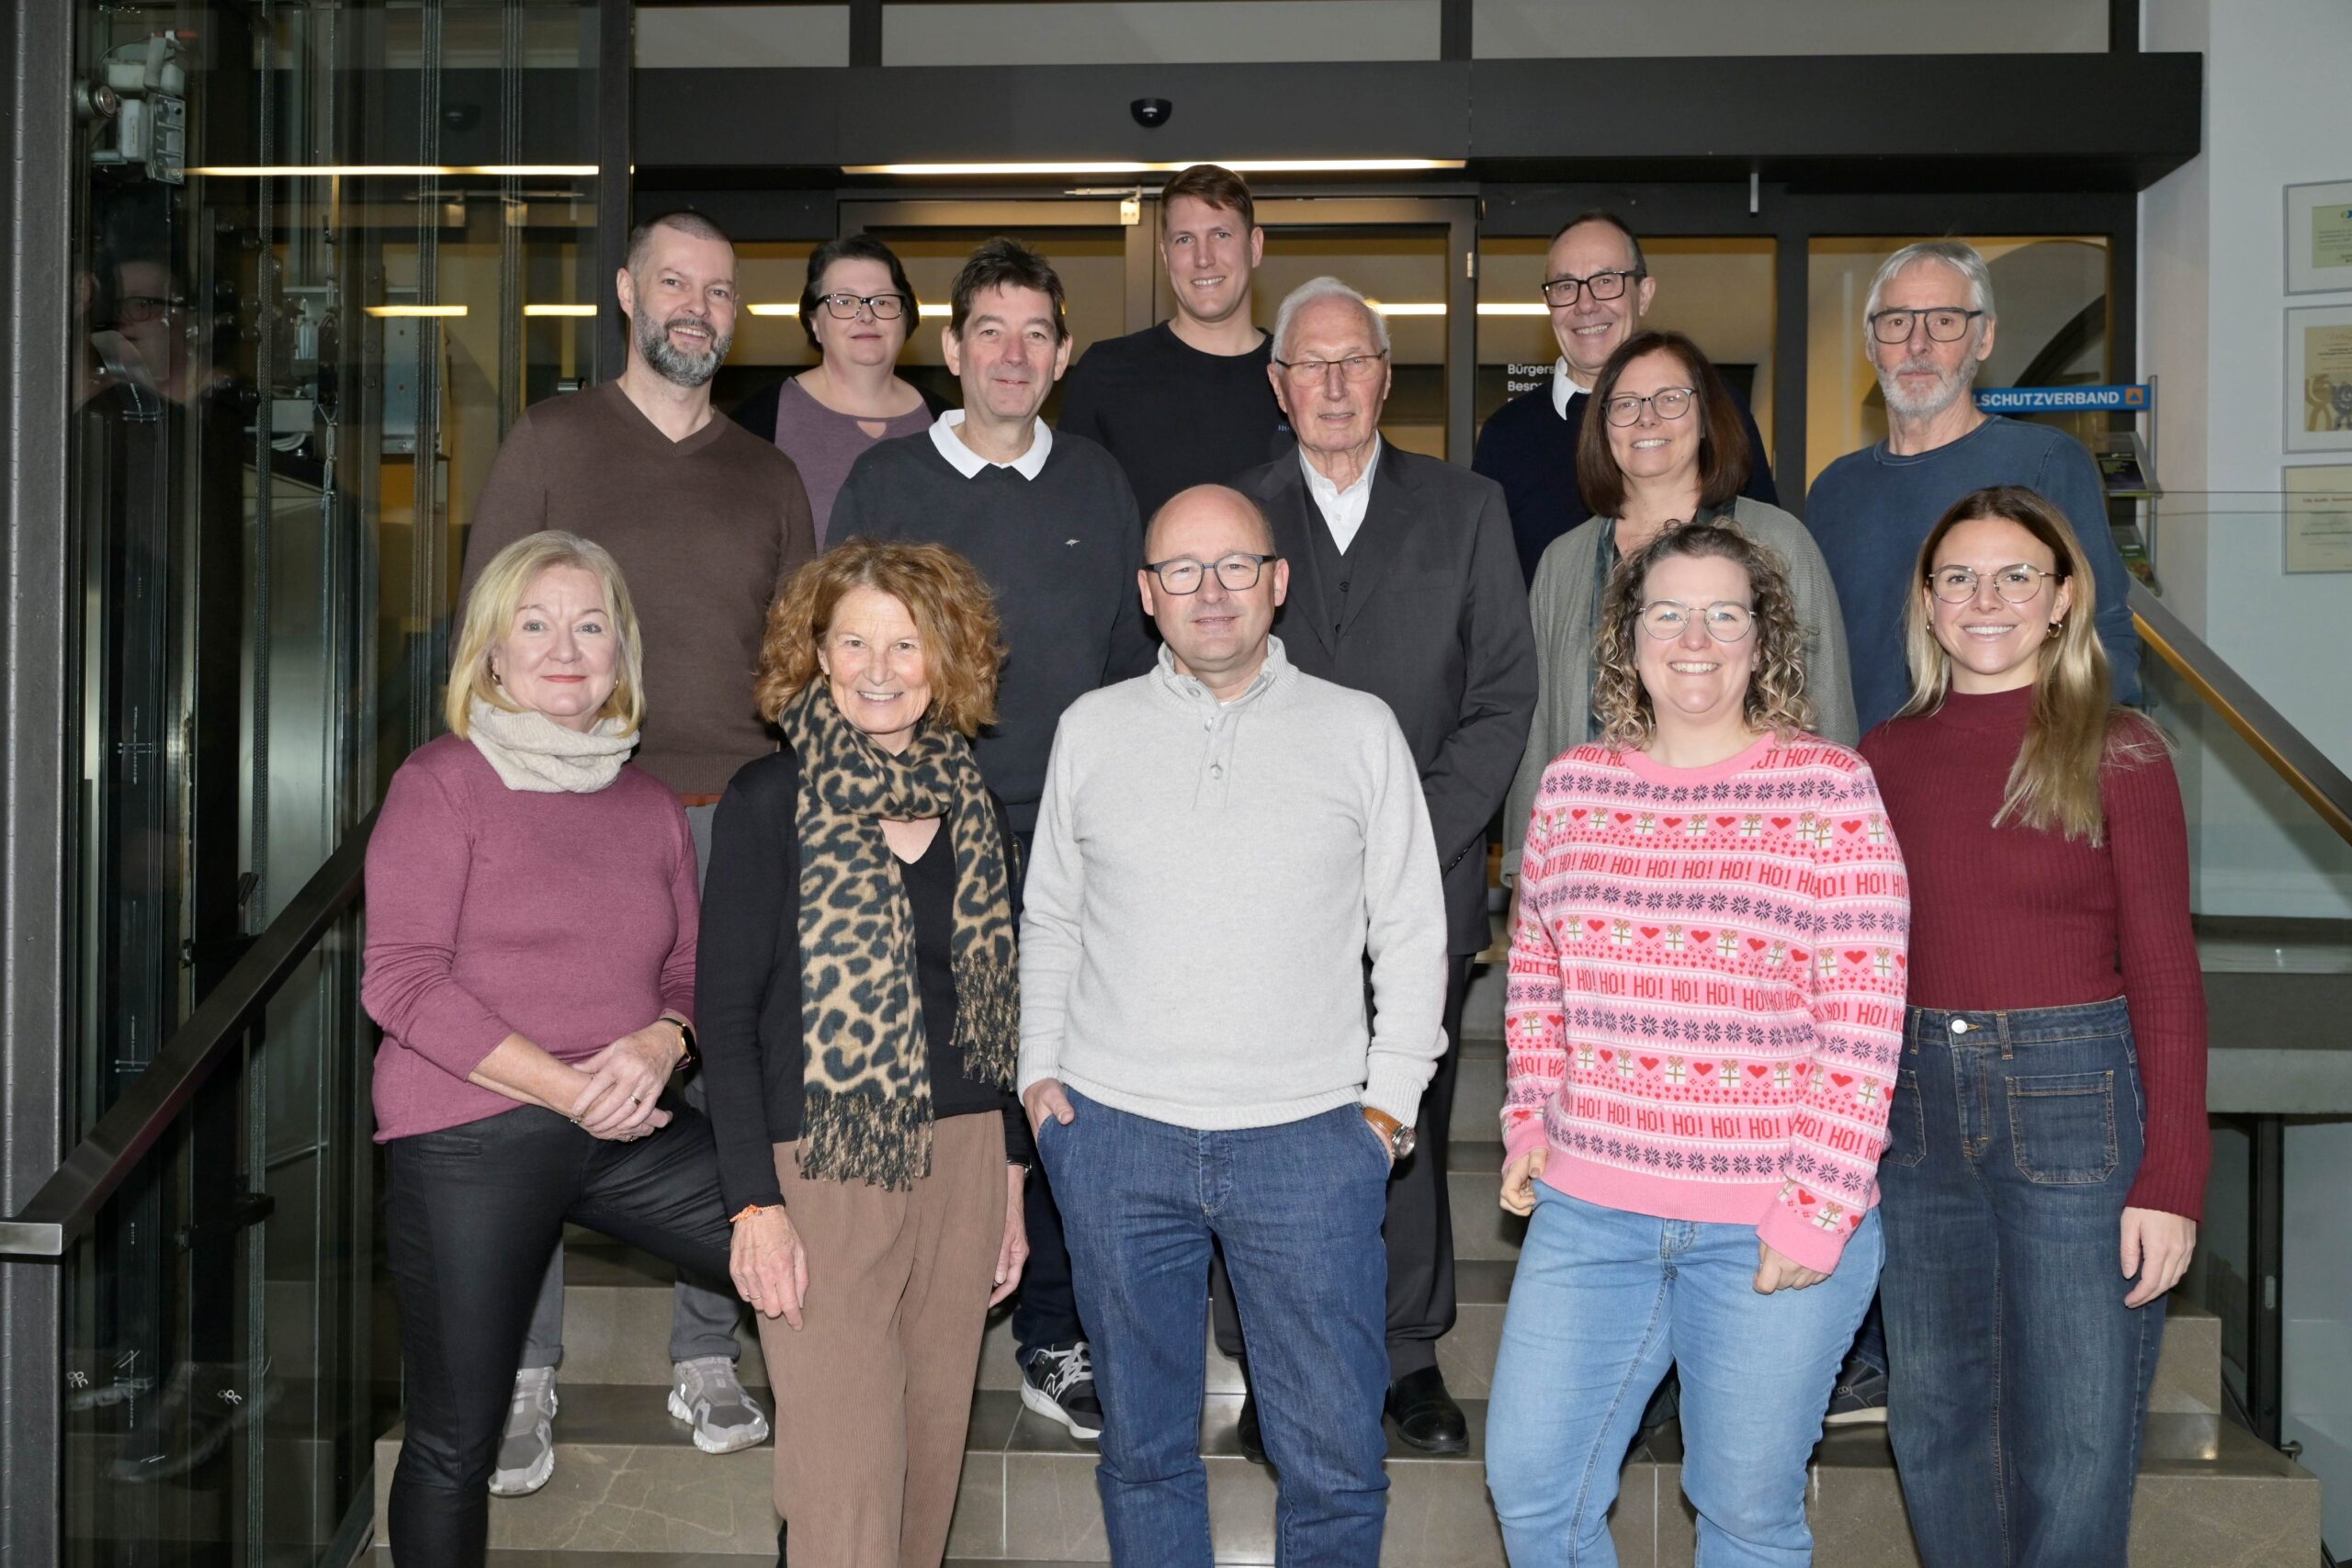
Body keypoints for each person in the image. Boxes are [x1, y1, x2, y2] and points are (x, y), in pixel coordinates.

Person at [1019, 483, 1449, 1566]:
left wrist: (1388, 1102)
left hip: (1309, 1141)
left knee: (1335, 1461)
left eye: (1234, 567)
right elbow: (1052, 917)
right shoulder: (1091, 729)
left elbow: (1409, 925)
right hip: (1117, 1137)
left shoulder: (1358, 730)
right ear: (1147, 596)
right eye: (1181, 571)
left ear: (1278, 582)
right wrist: (1040, 1079)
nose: (1209, 592)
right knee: (1144, 1453)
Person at [463, 209, 815, 1490]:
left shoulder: (768, 475)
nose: (697, 306)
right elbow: (484, 623)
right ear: (627, 291)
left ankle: (709, 1346)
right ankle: (523, 1363)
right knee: (546, 1082)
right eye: (675, 281)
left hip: (731, 816)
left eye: (721, 290)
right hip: (572, 806)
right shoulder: (554, 439)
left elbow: (800, 663)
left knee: (727, 1085)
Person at [1486, 521, 1909, 1566]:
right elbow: (1536, 973)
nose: (1696, 639)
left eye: (1726, 614)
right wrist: (1527, 1116)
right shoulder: (1575, 789)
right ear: (1626, 640)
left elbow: (1864, 1021)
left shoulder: (1828, 791)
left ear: (1763, 640)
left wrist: (1816, 1209)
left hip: (1767, 1224)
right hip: (1590, 1216)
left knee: (1743, 1513)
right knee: (1535, 1491)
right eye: (1667, 613)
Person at [831, 235, 1154, 1441]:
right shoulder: (886, 486)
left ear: (1061, 356)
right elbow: (841, 648)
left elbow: (1134, 671)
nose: (1012, 354)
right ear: (953, 348)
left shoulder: (1099, 485)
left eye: (1036, 334)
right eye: (990, 332)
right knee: (918, 1089)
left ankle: (1053, 1333)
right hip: (915, 833)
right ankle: (894, 1323)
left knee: (1055, 1093)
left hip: (1071, 842)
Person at [364, 531, 734, 1567]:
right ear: (490, 652)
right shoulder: (440, 784)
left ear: (621, 654)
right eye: (535, 624)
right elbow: (399, 983)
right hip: (470, 1133)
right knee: (454, 1434)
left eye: (589, 625)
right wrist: (570, 1088)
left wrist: (664, 1045)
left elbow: (690, 976)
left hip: (626, 1126)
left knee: (804, 1254)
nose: (564, 648)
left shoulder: (651, 804)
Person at [1864, 486, 2206, 1568]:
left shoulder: (2122, 750)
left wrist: (2173, 1179)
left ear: (2063, 599)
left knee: (2074, 1434)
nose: (1986, 599)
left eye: (2016, 575)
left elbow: (2164, 973)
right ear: (1925, 601)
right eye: (1958, 576)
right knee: (1934, 1421)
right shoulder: (1882, 756)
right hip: (1914, 1109)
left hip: (2075, 1099)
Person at [1233, 276, 1536, 1458]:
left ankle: (1407, 1352)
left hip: (1430, 870)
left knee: (1403, 1103)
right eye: (1308, 365)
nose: (1331, 384)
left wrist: (1416, 841)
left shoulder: (1466, 509)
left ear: (1384, 375)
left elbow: (1502, 690)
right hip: (1266, 882)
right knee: (1274, 1121)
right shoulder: (1236, 513)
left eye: (1351, 360)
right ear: (1279, 385)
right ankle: (1275, 1360)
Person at [700, 538, 1032, 1568]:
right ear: (817, 656)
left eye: (905, 643)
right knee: (845, 1471)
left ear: (947, 661)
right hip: (826, 1162)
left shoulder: (975, 801)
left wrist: (1012, 1184)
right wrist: (753, 1205)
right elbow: (725, 1013)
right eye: (854, 642)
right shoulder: (768, 799)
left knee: (930, 1457)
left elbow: (1000, 1012)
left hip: (969, 1156)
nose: (879, 668)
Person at [1503, 329, 1857, 893]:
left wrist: (1838, 849)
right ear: (1602, 428)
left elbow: (1827, 709)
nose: (1647, 419)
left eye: (1670, 399)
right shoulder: (1563, 561)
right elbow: (1539, 724)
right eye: (1624, 405)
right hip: (1594, 863)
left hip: (1752, 864)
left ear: (1707, 415)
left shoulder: (1779, 541)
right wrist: (1527, 867)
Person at [1804, 240, 2141, 737]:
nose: (1917, 344)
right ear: (1872, 344)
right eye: (1896, 322)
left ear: (1983, 339)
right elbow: (1810, 655)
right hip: (1859, 788)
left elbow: (2103, 634)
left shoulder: (2045, 464)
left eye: (1944, 321)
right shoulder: (1834, 489)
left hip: (2009, 779)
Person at [1474, 211, 1780, 583]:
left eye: (1606, 281)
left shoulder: (1708, 407)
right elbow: (1485, 589)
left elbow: (1768, 563)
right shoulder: (1507, 436)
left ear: (1645, 294)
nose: (1585, 304)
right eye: (1566, 286)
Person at [1057, 164, 1292, 518]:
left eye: (1221, 235)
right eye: (1185, 239)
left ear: (1255, 246)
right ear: (1166, 257)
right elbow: (1074, 524)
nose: (1203, 258)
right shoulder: (1107, 374)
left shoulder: (1300, 376)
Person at [729, 233, 949, 544]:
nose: (866, 316)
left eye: (883, 301)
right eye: (844, 302)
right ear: (814, 323)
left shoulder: (947, 422)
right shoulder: (757, 422)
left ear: (906, 318)